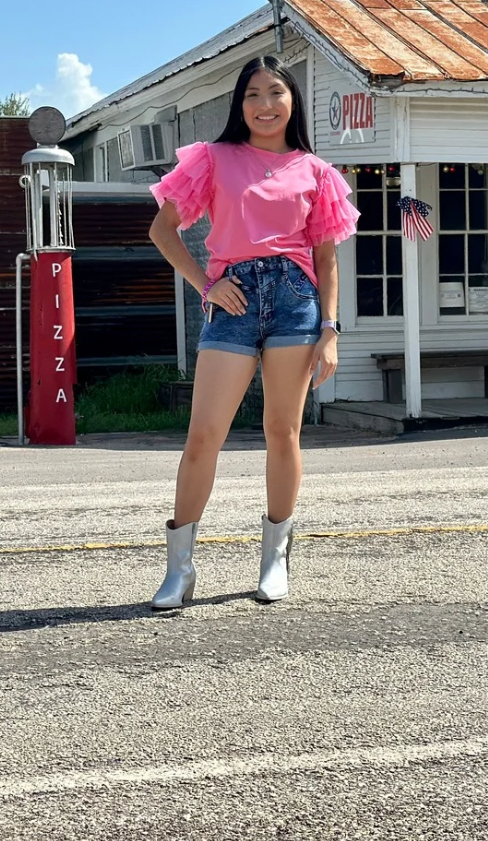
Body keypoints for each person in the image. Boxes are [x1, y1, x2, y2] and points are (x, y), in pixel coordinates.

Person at [147, 56, 359, 609]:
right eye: (252, 95)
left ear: (293, 101)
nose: (264, 106)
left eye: (275, 93)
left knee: (282, 432)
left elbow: (326, 259)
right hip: (233, 297)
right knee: (203, 436)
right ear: (239, 106)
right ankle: (180, 569)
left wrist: (330, 329)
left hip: (296, 301)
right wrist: (204, 284)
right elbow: (162, 229)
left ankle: (274, 559)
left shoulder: (315, 171)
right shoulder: (214, 159)